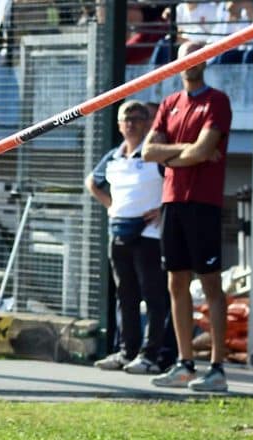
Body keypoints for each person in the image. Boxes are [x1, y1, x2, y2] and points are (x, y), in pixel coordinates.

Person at [142, 41, 232, 392]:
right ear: (177, 64)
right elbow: (149, 151)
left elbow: (204, 150)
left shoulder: (217, 101)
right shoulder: (168, 104)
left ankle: (218, 369)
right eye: (185, 58)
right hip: (172, 201)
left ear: (205, 62)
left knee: (210, 284)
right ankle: (184, 363)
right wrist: (185, 153)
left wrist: (175, 155)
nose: (191, 63)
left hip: (203, 203)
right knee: (175, 283)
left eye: (197, 57)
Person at [85, 101, 168, 374]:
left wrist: (162, 209)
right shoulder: (113, 157)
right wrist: (111, 205)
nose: (131, 123)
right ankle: (126, 351)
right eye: (126, 118)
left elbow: (174, 180)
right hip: (118, 232)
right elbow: (92, 182)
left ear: (147, 123)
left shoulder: (154, 154)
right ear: (119, 125)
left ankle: (151, 355)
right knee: (125, 295)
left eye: (137, 117)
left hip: (148, 235)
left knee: (153, 296)